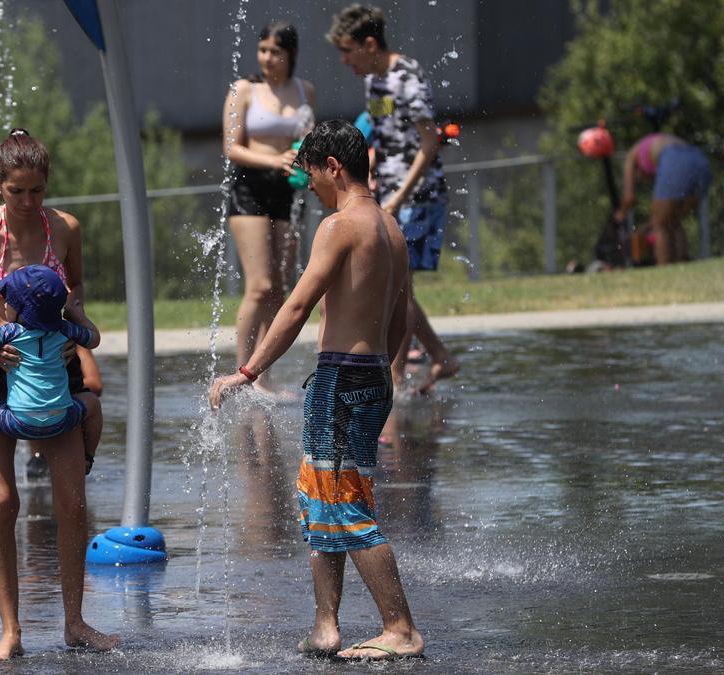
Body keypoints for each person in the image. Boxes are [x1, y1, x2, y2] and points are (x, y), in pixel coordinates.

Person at [210, 120, 424, 661]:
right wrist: (382, 371)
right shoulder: (392, 230)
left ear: (333, 167)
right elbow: (401, 319)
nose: (308, 188)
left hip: (341, 378)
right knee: (319, 497)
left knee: (344, 504)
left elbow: (297, 306)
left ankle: (400, 628)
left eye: (310, 175)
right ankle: (326, 626)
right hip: (371, 373)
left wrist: (248, 371)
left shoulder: (339, 225)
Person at [0, 128, 117, 661]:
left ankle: (75, 622)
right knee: (3, 499)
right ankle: (10, 631)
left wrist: (76, 322)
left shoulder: (65, 228)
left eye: (37, 190)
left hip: (52, 369)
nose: (30, 202)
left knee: (72, 500)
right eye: (18, 192)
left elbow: (74, 289)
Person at [328, 3, 458, 394]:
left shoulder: (407, 77)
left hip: (417, 196)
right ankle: (438, 358)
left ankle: (398, 377)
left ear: (370, 44)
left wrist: (400, 196)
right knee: (398, 288)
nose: (344, 60)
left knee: (398, 287)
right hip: (389, 194)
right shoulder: (374, 81)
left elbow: (429, 143)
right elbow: (383, 139)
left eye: (348, 51)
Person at [224, 21, 316, 397]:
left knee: (279, 289)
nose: (266, 58)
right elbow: (232, 147)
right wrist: (274, 159)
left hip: (287, 191)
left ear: (290, 54)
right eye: (262, 50)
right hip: (249, 189)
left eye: (275, 52)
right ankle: (240, 372)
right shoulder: (244, 90)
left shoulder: (304, 90)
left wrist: (299, 155)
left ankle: (264, 377)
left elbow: (307, 139)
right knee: (259, 285)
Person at [0, 265, 103, 490]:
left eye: (9, 301)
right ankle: (87, 458)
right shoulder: (65, 330)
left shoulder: (10, 332)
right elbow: (94, 339)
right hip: (60, 420)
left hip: (18, 422)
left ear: (23, 309)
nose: (5, 304)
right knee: (93, 404)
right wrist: (78, 316)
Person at [615, 131, 712, 266]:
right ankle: (682, 265)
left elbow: (629, 198)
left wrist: (620, 215)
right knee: (673, 221)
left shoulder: (630, 158)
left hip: (675, 160)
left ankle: (664, 267)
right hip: (701, 161)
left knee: (660, 226)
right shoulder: (658, 143)